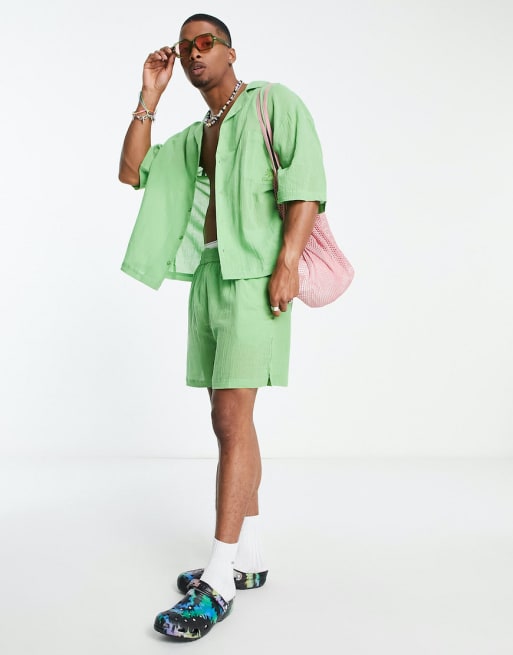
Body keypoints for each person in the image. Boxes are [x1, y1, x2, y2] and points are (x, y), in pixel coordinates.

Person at [118, 13, 327, 641]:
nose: (193, 53)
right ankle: (248, 558)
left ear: (231, 52)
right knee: (227, 419)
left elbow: (306, 184)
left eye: (205, 42)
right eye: (184, 47)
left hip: (256, 278)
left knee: (233, 421)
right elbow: (133, 171)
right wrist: (149, 96)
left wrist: (288, 263)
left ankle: (217, 579)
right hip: (209, 277)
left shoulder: (271, 102)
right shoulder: (198, 134)